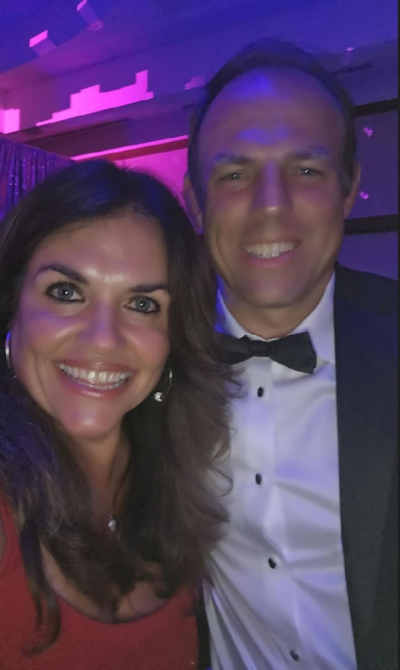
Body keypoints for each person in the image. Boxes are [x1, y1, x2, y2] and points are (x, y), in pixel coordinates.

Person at [184, 39, 398, 670]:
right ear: (196, 202)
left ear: (349, 189)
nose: (271, 203)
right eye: (234, 174)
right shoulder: (150, 362)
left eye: (306, 170)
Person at [0, 159, 232, 669]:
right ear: (11, 307)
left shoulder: (180, 481)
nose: (104, 338)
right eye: (66, 293)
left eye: (143, 305)